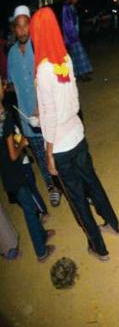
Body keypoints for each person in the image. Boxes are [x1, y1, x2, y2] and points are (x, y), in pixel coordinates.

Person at [31, 7, 119, 262]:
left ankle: (99, 248)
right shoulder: (65, 60)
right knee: (93, 182)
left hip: (60, 145)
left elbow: (48, 117)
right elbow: (70, 99)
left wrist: (48, 154)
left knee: (78, 199)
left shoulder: (43, 70)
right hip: (77, 135)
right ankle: (113, 223)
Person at [6, 5, 62, 207]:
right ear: (14, 29)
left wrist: (41, 104)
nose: (21, 31)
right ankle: (52, 187)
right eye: (17, 27)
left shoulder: (39, 46)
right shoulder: (11, 53)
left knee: (57, 151)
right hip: (27, 118)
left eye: (24, 26)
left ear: (31, 26)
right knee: (39, 156)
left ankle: (66, 184)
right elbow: (12, 83)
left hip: (46, 112)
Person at [0, 86, 55, 262]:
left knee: (30, 206)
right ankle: (41, 251)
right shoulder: (5, 118)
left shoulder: (3, 115)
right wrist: (23, 143)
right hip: (14, 173)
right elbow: (13, 154)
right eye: (1, 84)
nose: (4, 86)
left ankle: (42, 235)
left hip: (8, 173)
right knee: (30, 212)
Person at [61, 0, 93, 82]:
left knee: (75, 56)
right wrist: (73, 36)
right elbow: (67, 24)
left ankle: (78, 75)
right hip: (72, 36)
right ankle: (82, 75)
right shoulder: (66, 8)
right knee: (79, 55)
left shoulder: (70, 6)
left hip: (73, 35)